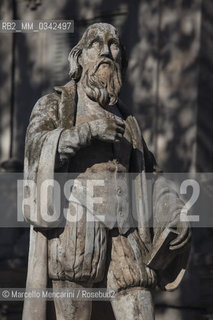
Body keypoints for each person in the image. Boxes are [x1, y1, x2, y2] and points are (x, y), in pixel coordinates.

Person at [22, 23, 191, 320]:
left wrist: (175, 211)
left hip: (126, 235)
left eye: (113, 45)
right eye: (95, 44)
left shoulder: (129, 120)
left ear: (121, 61)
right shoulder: (54, 105)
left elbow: (151, 176)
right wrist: (86, 133)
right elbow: (36, 150)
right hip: (75, 233)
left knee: (140, 307)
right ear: (79, 58)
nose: (105, 51)